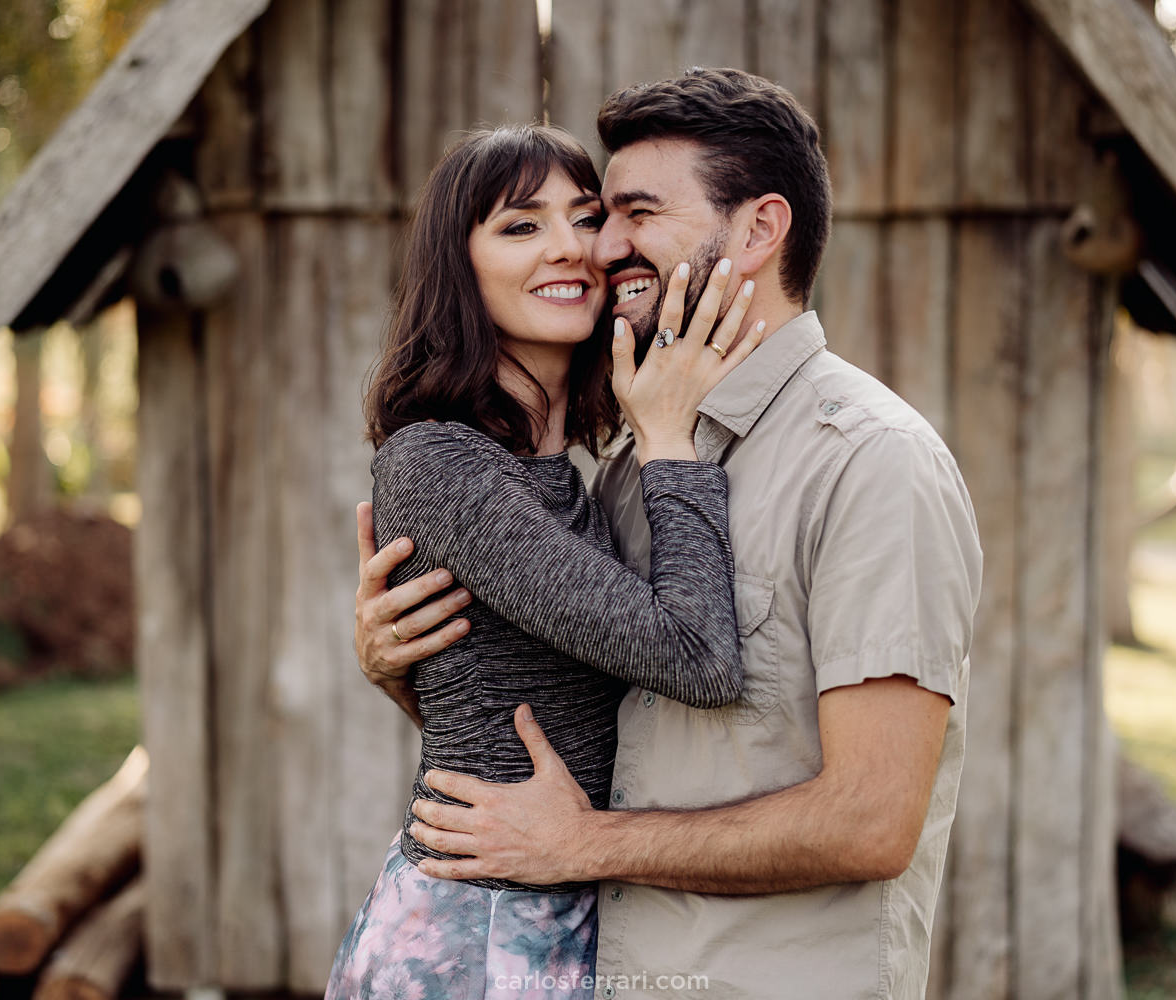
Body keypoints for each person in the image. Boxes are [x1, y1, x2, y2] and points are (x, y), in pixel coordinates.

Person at [354, 69, 984, 999]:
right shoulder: (631, 461)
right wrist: (406, 672)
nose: (600, 247)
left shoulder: (871, 462)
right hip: (582, 965)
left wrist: (584, 845)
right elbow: (555, 724)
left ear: (761, 231)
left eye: (629, 213)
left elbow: (873, 822)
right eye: (583, 217)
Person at [323, 123, 767, 1000]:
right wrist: (672, 442)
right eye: (521, 226)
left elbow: (506, 690)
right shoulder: (438, 463)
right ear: (462, 266)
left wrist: (390, 672)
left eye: (585, 216)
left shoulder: (573, 473)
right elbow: (699, 658)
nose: (570, 248)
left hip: (561, 916)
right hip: (477, 936)